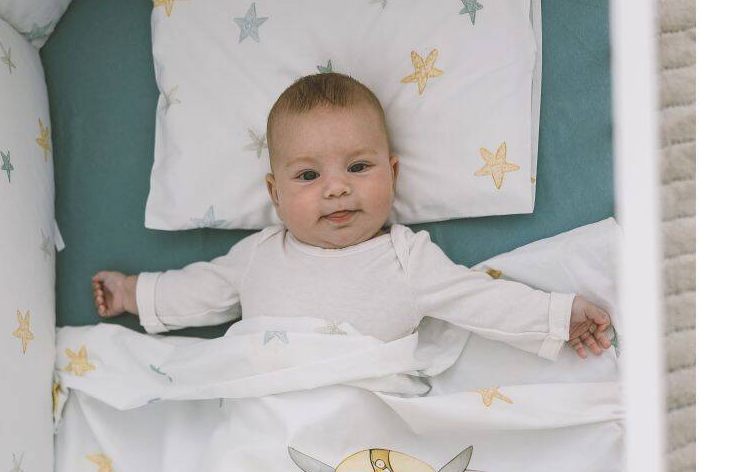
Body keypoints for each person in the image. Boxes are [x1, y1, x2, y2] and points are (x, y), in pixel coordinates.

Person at [91, 72, 612, 360]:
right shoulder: (259, 256)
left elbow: (477, 299)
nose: (337, 188)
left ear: (393, 173)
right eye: (307, 175)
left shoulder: (406, 258)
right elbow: (201, 291)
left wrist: (556, 315)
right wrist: (134, 293)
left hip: (365, 426)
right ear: (275, 194)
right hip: (268, 408)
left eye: (358, 167)